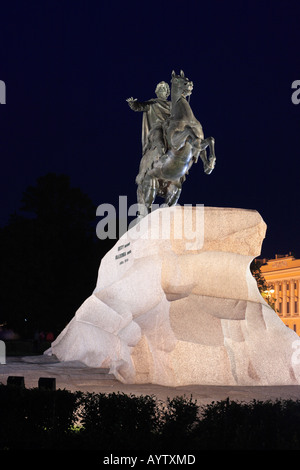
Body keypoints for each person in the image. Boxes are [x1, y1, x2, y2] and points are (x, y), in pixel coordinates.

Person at [127, 81, 171, 184]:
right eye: (160, 89)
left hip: (168, 129)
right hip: (156, 129)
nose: (161, 91)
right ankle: (162, 156)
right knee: (159, 138)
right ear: (156, 92)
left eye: (164, 89)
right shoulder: (152, 103)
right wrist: (133, 104)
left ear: (167, 93)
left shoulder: (171, 105)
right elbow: (140, 106)